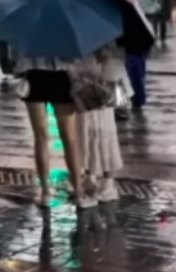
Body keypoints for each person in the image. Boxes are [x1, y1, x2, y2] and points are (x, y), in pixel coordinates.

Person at [12, 46, 91, 209]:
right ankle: (78, 192)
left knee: (40, 136)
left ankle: (46, 192)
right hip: (61, 77)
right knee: (69, 137)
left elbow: (17, 55)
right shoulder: (64, 23)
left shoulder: (30, 23)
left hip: (34, 76)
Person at [71, 43, 126, 202]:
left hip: (101, 90)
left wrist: (103, 56)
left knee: (103, 134)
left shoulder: (107, 37)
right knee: (86, 133)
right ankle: (91, 175)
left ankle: (108, 182)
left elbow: (114, 68)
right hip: (84, 90)